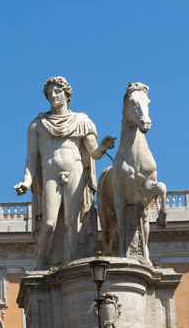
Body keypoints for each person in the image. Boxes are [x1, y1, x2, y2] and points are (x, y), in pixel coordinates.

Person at [13, 76, 115, 266]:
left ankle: (69, 263)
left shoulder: (82, 121)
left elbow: (93, 153)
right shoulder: (38, 125)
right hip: (50, 173)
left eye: (57, 91)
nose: (53, 95)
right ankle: (42, 258)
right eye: (49, 93)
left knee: (72, 221)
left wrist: (102, 147)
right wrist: (27, 181)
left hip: (75, 170)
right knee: (49, 222)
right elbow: (32, 158)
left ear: (67, 94)